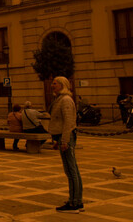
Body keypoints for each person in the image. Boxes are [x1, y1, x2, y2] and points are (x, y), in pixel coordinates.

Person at [49, 76, 83, 213]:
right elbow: (59, 122)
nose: (52, 85)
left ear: (62, 85)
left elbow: (68, 122)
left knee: (71, 170)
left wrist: (65, 141)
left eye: (55, 83)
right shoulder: (59, 99)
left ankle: (74, 202)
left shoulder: (66, 100)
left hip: (67, 138)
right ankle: (75, 200)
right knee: (70, 169)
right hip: (62, 137)